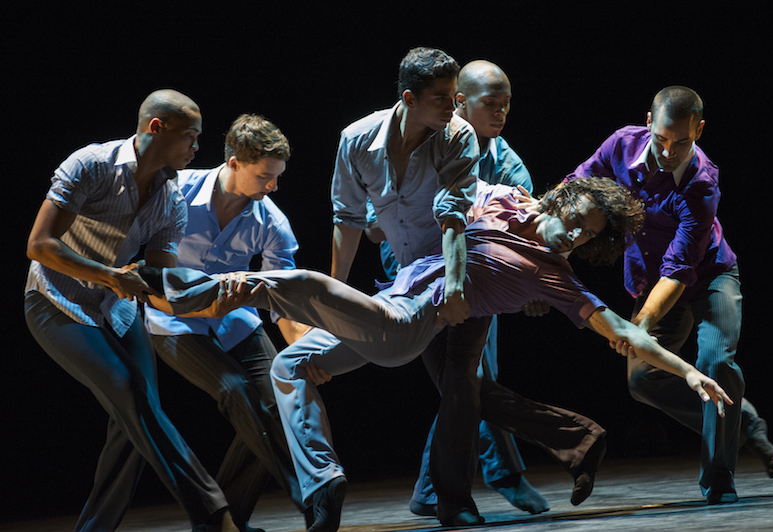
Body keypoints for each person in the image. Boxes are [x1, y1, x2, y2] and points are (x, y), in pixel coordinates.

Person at [142, 178, 733, 532]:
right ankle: (323, 480)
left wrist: (686, 372)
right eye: (574, 221)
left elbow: (627, 335)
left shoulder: (553, 277)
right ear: (561, 199)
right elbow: (440, 201)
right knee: (287, 365)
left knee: (295, 282)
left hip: (405, 325)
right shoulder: (500, 200)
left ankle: (168, 287)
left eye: (585, 236)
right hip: (386, 301)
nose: (572, 237)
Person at [24, 89, 238, 531]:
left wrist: (212, 296)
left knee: (134, 418)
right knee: (131, 393)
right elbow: (39, 245)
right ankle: (215, 517)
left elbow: (158, 276)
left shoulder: (171, 198)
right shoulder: (92, 165)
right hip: (55, 303)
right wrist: (110, 275)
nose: (196, 149)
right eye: (190, 137)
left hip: (115, 309)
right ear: (155, 128)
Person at [403, 60, 606, 517]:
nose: (500, 113)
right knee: (465, 384)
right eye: (490, 104)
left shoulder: (508, 165)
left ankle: (443, 493)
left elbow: (532, 239)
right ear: (460, 102)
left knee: (463, 381)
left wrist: (538, 289)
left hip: (477, 281)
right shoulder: (425, 141)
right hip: (417, 273)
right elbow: (387, 211)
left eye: (506, 106)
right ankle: (564, 444)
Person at [568, 86, 773, 504]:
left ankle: (719, 479)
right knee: (642, 379)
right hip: (651, 281)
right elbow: (578, 186)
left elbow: (680, 270)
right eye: (661, 139)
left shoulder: (702, 183)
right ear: (649, 122)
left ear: (698, 131)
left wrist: (638, 326)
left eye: (680, 142)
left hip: (709, 277)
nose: (668, 151)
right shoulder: (622, 145)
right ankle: (743, 424)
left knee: (716, 362)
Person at [329, 46, 488, 526]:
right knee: (456, 386)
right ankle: (574, 437)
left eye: (455, 96)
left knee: (460, 380)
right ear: (408, 98)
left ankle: (453, 499)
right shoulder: (357, 141)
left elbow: (454, 218)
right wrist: (331, 299)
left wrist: (457, 286)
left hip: (463, 265)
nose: (453, 106)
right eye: (441, 97)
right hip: (408, 277)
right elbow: (348, 219)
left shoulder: (457, 137)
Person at [143, 114, 311, 532]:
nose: (272, 187)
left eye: (277, 177)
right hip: (172, 317)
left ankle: (225, 521)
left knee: (277, 400)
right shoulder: (176, 192)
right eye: (265, 176)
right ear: (234, 163)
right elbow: (139, 260)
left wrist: (307, 350)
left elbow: (282, 302)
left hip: (235, 318)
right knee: (234, 390)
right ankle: (306, 489)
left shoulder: (271, 222)